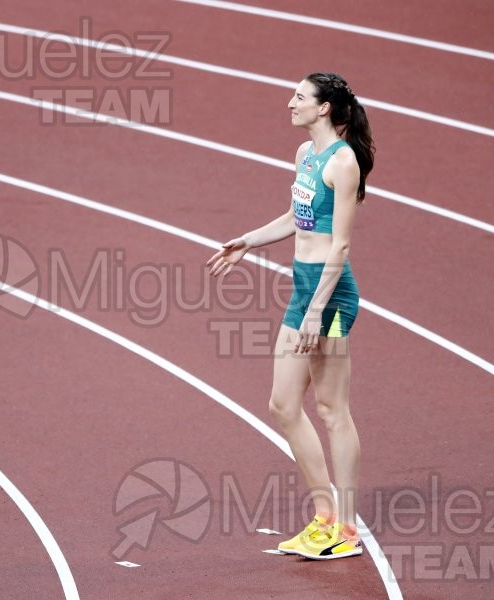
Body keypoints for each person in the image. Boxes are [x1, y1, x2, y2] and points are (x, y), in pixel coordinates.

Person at [207, 72, 375, 560]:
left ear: (324, 108)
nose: (290, 103)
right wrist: (248, 240)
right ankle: (324, 515)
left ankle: (345, 528)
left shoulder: (343, 163)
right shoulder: (306, 156)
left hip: (332, 299)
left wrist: (316, 313)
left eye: (299, 97)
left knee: (331, 409)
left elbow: (340, 244)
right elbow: (294, 218)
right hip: (304, 293)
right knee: (282, 405)